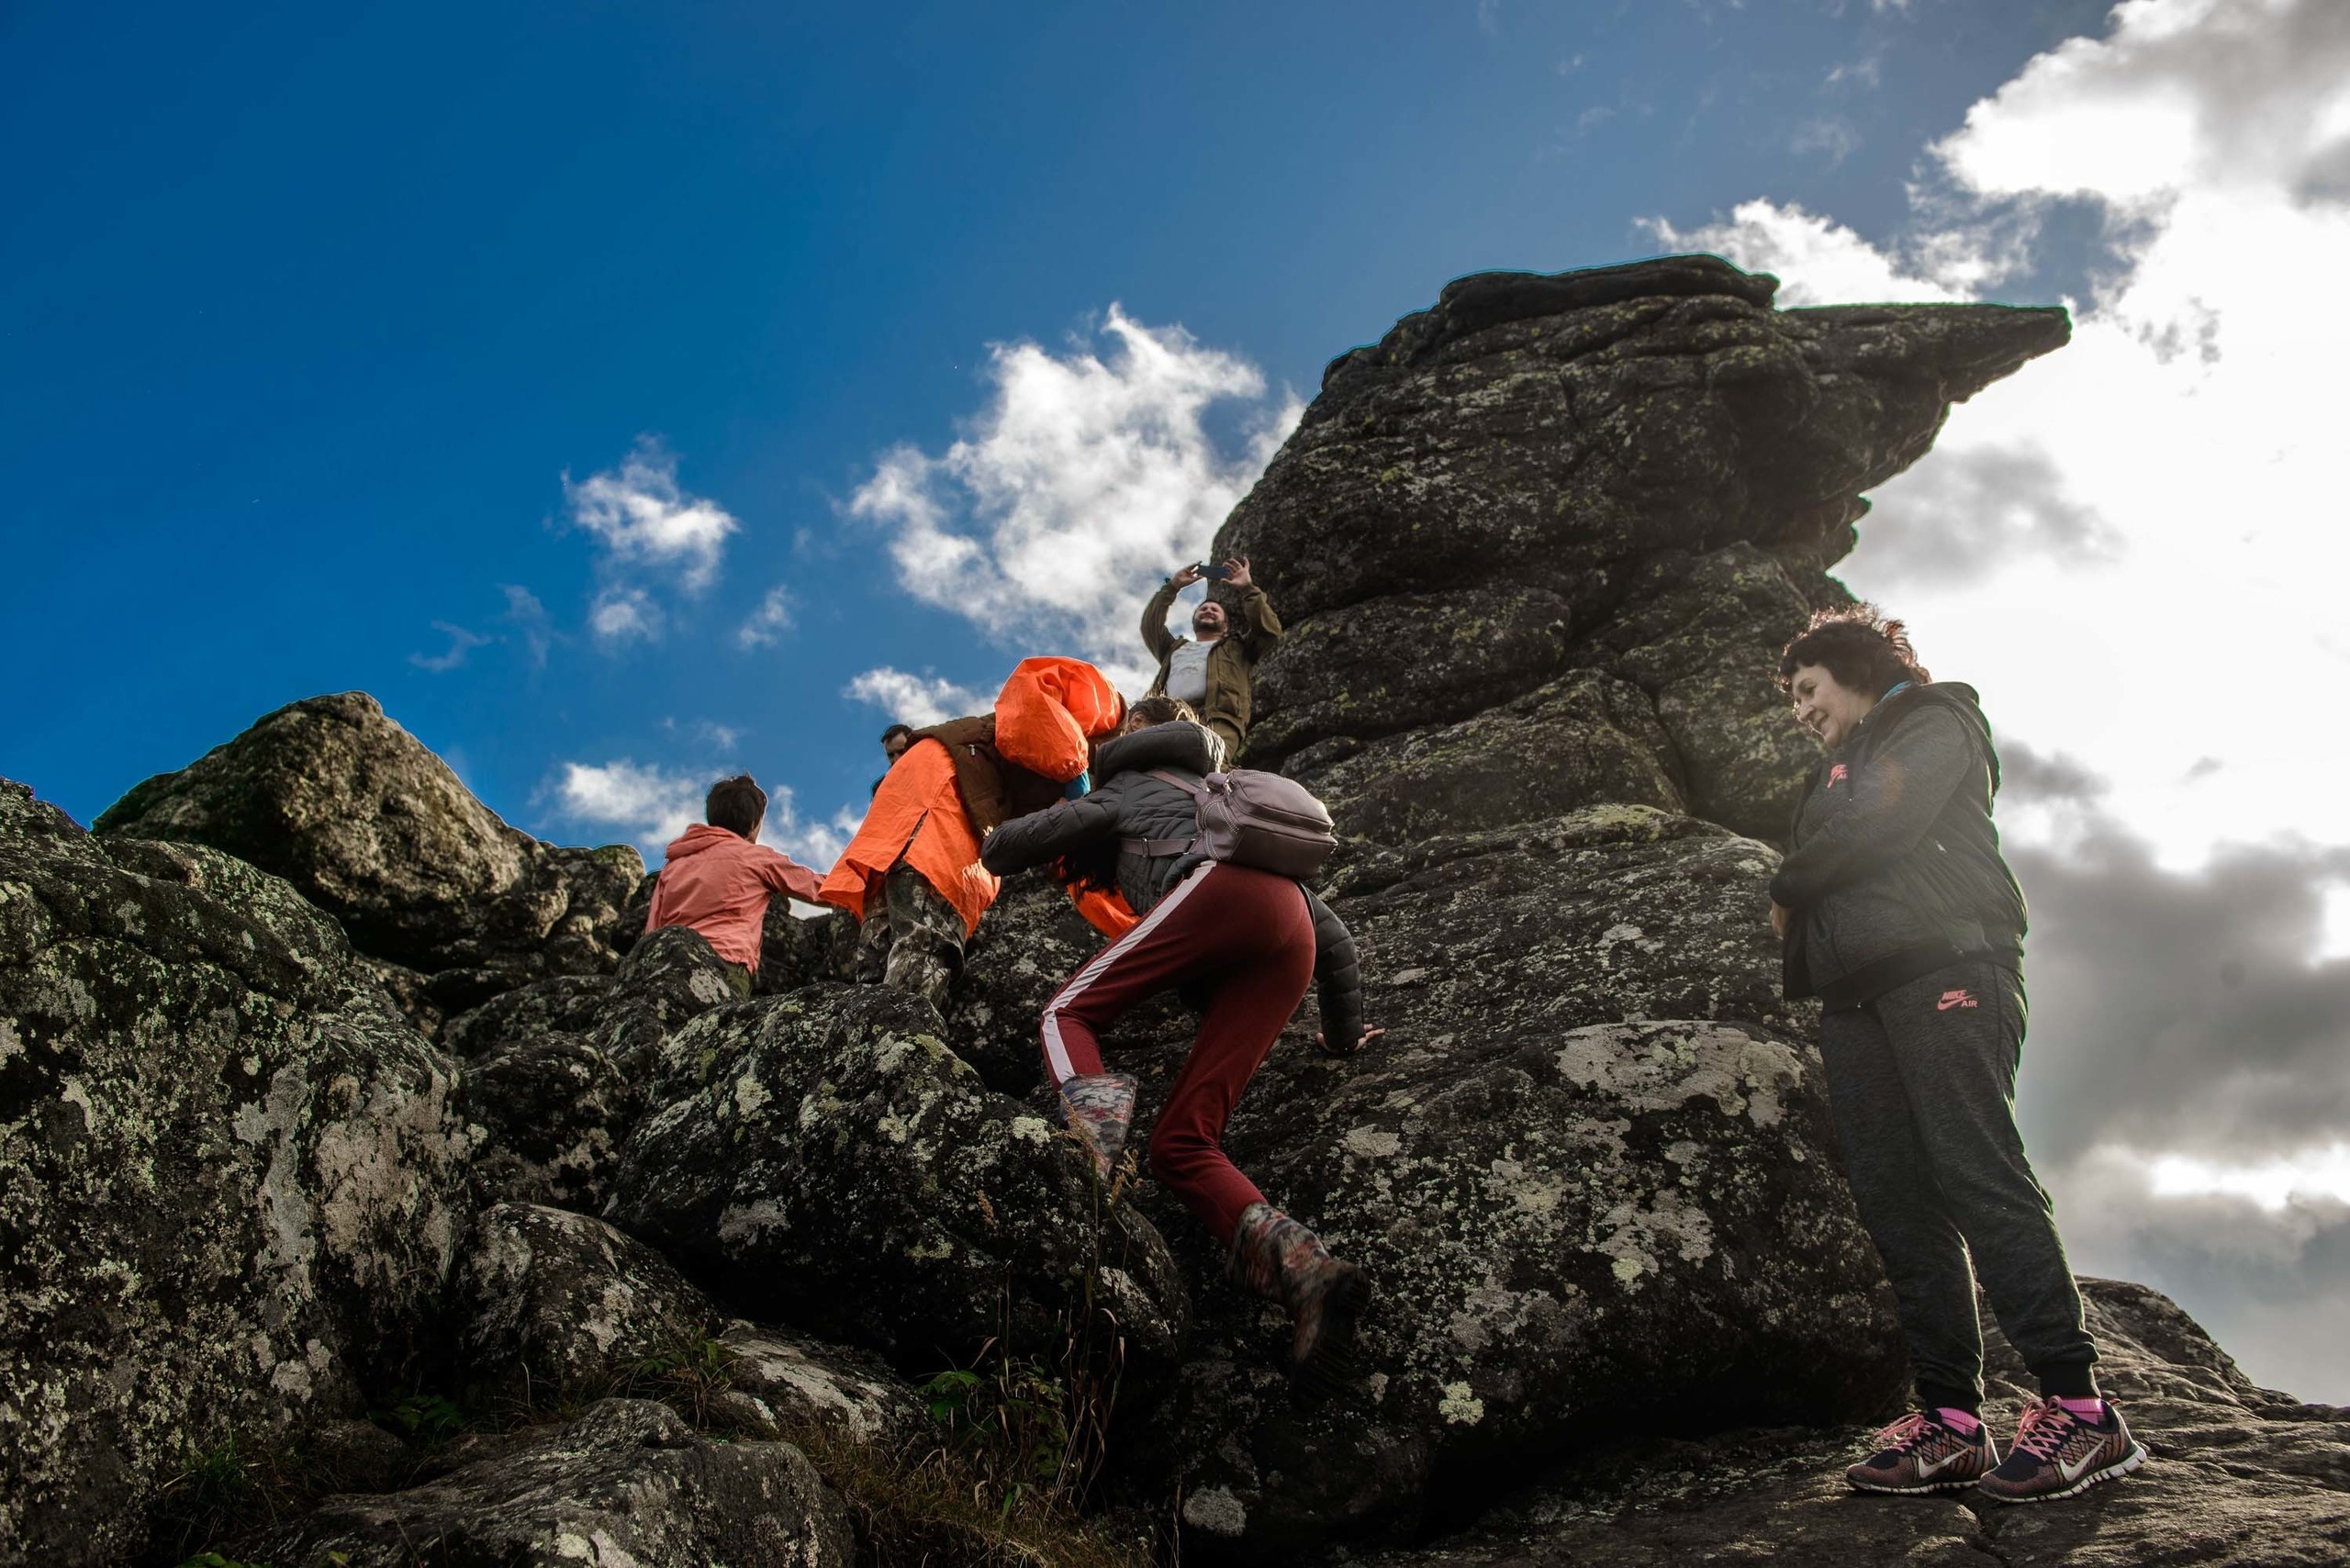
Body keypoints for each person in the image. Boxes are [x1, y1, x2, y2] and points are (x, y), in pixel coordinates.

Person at [1768, 605, 2143, 1504]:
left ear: (1852, 667)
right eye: (1790, 699)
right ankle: (1951, 1422)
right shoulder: (1841, 761)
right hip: (1855, 998)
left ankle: (2081, 1412)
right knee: (1896, 1197)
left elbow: (1875, 829)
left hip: (1945, 969)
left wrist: (1789, 881)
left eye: (1805, 689)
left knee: (1974, 1169)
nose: (1798, 710)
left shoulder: (1935, 722)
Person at [979, 695, 1381, 1384]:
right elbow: (1336, 943)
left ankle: (1093, 1162)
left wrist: (997, 829)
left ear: (1138, 731)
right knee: (1180, 1145)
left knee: (1065, 1014)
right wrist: (1341, 1041)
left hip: (1216, 893)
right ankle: (1304, 1269)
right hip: (1291, 932)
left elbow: (1007, 848)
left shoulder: (1128, 781)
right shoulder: (1232, 804)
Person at [823, 657, 1126, 1012]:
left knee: (882, 947)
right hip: (942, 808)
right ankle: (896, 1045)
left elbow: (1072, 868)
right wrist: (1079, 789)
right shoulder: (1099, 717)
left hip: (910, 812)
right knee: (928, 940)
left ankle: (872, 1041)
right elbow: (1037, 695)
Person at [644, 774, 826, 997]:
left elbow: (652, 931)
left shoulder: (674, 865)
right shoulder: (756, 858)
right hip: (726, 963)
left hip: (668, 965)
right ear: (752, 825)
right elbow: (816, 887)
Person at [1140, 555, 1281, 760]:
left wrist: (1247, 588)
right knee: (1151, 771)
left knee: (1208, 767)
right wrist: (1172, 587)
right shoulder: (1174, 648)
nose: (1208, 610)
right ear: (1194, 621)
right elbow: (1150, 626)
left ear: (1225, 625)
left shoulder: (1238, 649)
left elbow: (1269, 631)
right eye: (1203, 609)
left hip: (1218, 720)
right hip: (1165, 718)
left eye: (1215, 610)